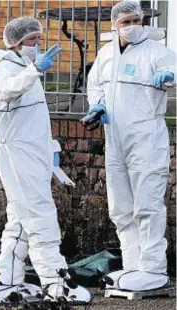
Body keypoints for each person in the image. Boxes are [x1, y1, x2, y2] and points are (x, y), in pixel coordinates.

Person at [0, 16, 92, 305]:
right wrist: (34, 70)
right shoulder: (5, 70)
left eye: (40, 39)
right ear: (16, 45)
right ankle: (56, 283)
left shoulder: (26, 71)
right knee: (40, 215)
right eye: (32, 40)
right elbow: (8, 90)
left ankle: (7, 284)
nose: (38, 45)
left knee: (19, 220)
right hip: (18, 155)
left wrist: (50, 147)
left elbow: (34, 118)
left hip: (33, 153)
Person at [86, 0, 176, 292]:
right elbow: (95, 84)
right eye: (125, 22)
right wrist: (97, 106)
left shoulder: (157, 52)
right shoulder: (106, 55)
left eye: (136, 20)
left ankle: (153, 269)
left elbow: (174, 71)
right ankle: (133, 264)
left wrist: (170, 78)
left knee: (148, 204)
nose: (132, 26)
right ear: (115, 26)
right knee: (121, 206)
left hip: (146, 138)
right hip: (115, 138)